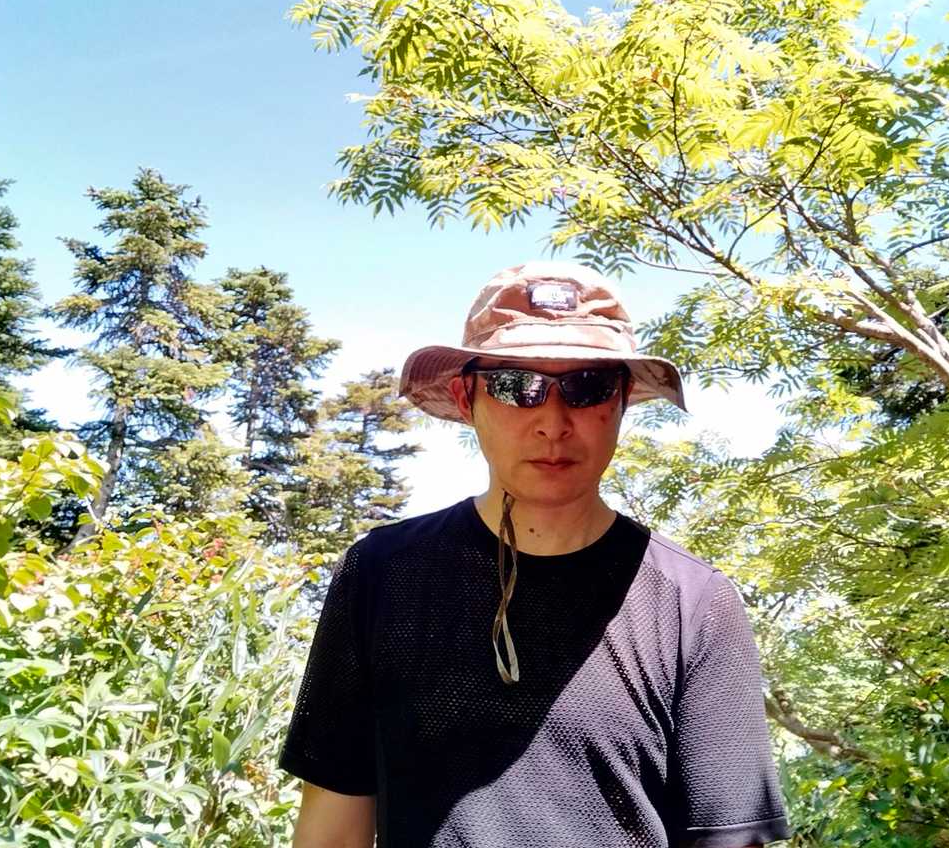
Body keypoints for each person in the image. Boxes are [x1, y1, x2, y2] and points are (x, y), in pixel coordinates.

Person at [280, 261, 791, 847]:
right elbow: (333, 829)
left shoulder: (694, 602)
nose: (553, 422)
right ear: (466, 397)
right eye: (514, 386)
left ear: (623, 399)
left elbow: (731, 838)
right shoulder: (380, 575)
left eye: (588, 386)